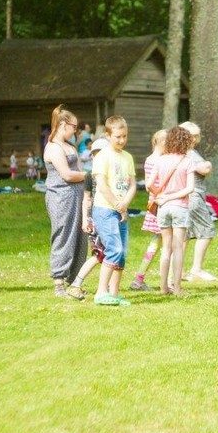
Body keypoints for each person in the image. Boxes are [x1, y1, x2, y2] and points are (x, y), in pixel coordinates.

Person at [91, 116, 137, 306]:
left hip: (121, 211)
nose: (122, 140)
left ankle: (114, 293)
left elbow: (132, 185)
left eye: (124, 136)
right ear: (108, 135)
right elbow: (101, 184)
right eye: (118, 136)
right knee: (114, 249)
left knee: (122, 252)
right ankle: (101, 292)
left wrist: (125, 204)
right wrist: (117, 204)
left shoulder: (128, 157)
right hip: (104, 209)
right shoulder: (103, 156)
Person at [43, 105, 87, 298]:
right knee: (64, 234)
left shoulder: (71, 147)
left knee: (80, 236)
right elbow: (68, 175)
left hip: (77, 196)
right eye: (73, 126)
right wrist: (89, 175)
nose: (75, 131)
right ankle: (59, 282)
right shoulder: (53, 147)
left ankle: (74, 281)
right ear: (62, 125)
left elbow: (77, 171)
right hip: (60, 197)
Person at [147, 126, 195, 297]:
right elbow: (190, 188)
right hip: (179, 207)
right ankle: (177, 288)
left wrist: (161, 195)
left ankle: (162, 287)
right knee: (178, 248)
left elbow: (148, 184)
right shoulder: (187, 161)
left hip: (163, 208)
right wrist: (172, 196)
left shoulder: (160, 160)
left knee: (166, 248)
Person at [67, 137, 109, 300]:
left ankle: (108, 288)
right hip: (98, 219)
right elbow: (87, 199)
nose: (96, 157)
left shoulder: (107, 173)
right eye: (95, 154)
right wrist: (85, 219)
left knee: (106, 254)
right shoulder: (91, 176)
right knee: (101, 254)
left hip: (103, 217)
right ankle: (76, 285)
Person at [179, 121, 218, 282]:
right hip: (194, 196)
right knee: (207, 230)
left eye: (197, 135)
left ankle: (178, 271)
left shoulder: (182, 151)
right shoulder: (188, 153)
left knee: (185, 235)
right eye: (192, 135)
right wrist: (207, 164)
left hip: (188, 196)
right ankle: (196, 269)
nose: (195, 139)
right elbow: (204, 169)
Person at [134, 130, 167, 290]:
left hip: (156, 203)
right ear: (161, 142)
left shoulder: (150, 159)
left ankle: (140, 278)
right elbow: (152, 184)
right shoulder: (158, 160)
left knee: (158, 242)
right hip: (161, 204)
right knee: (165, 244)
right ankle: (162, 281)